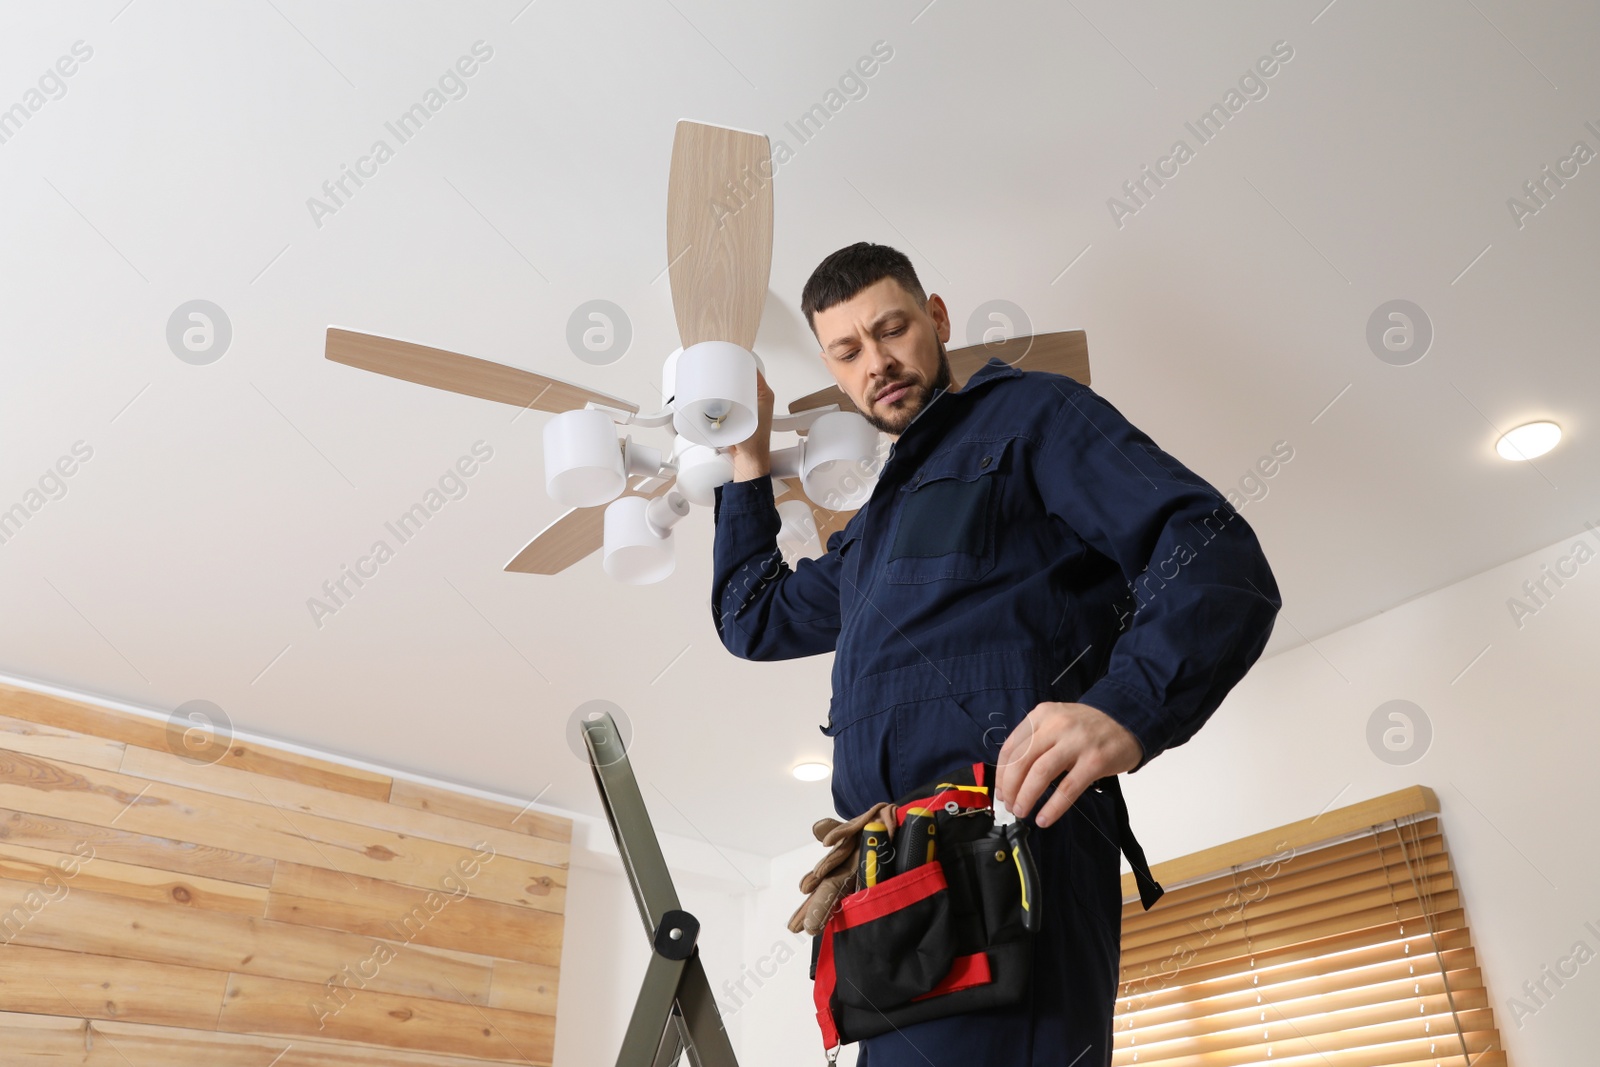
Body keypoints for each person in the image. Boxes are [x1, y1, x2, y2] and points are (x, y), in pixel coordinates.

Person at [710, 242, 1281, 1066]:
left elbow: (1214, 555)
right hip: (888, 893)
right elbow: (751, 617)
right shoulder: (871, 536)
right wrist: (746, 458)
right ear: (834, 372)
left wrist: (1127, 705)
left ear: (936, 319)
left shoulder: (1032, 419)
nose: (878, 362)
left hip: (1011, 858)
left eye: (892, 328)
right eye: (848, 350)